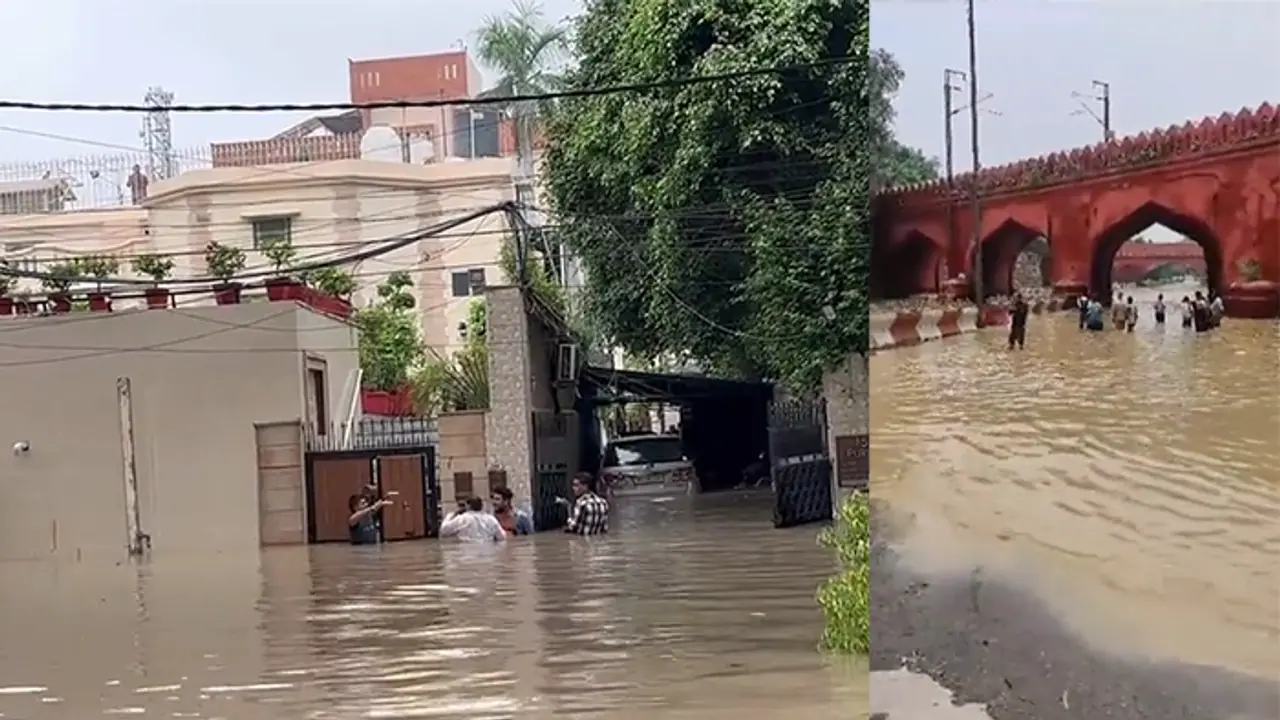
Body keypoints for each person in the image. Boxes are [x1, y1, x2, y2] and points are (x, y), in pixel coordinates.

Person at [557, 472, 610, 536]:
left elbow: (572, 526)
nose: (573, 488)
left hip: (580, 542)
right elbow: (604, 529)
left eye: (576, 485)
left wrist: (568, 507)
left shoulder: (581, 503)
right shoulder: (603, 502)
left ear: (585, 486)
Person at [440, 496, 507, 543]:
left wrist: (450, 515)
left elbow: (444, 531)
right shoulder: (491, 519)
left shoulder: (462, 518)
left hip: (467, 554)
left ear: (468, 506)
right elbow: (502, 537)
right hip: (487, 553)